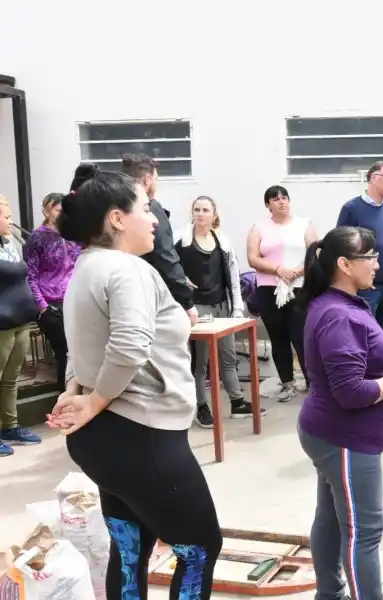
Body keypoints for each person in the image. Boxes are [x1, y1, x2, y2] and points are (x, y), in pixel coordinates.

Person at [47, 169, 222, 599]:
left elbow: (86, 341)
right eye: (145, 209)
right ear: (117, 219)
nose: (156, 220)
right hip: (141, 437)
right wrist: (95, 399)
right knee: (200, 548)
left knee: (130, 549)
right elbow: (126, 347)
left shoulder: (87, 266)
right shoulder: (126, 270)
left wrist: (77, 391)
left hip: (106, 441)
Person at [298, 226, 383, 600]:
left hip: (332, 434)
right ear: (344, 264)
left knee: (332, 520)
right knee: (364, 531)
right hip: (344, 438)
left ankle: (330, 594)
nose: (377, 264)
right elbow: (351, 393)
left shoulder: (340, 304)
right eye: (368, 257)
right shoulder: (340, 316)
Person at [176, 196, 266, 428]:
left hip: (222, 307)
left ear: (214, 215)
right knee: (200, 363)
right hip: (198, 308)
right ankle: (202, 407)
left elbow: (233, 277)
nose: (200, 213)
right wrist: (182, 283)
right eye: (196, 209)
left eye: (205, 209)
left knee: (229, 357)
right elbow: (169, 269)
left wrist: (237, 308)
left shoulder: (222, 242)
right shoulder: (181, 240)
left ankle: (237, 402)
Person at [246, 185, 318, 402]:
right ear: (268, 205)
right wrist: (278, 270)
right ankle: (287, 383)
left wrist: (295, 271)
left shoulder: (304, 224)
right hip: (270, 289)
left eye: (284, 198)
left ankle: (312, 383)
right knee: (278, 337)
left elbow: (316, 253)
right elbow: (253, 258)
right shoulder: (259, 227)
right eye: (275, 199)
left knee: (302, 336)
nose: (281, 202)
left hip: (299, 288)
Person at [121, 153, 198, 326]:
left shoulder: (111, 207)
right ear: (148, 179)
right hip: (151, 296)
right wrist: (187, 302)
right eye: (156, 179)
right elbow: (165, 256)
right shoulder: (151, 208)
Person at [335, 161, 383, 341]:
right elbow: (339, 247)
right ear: (374, 178)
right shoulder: (351, 208)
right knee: (363, 339)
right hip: (366, 290)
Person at [25, 192, 82, 392]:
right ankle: (64, 395)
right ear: (47, 211)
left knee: (79, 351)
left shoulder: (74, 234)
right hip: (50, 304)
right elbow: (31, 275)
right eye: (58, 210)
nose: (62, 214)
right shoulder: (38, 238)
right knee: (64, 350)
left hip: (73, 300)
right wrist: (42, 307)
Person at [0, 195, 40, 457]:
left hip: (21, 319)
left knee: (11, 379)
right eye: (6, 217)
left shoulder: (9, 243)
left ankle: (10, 425)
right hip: (1, 324)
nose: (11, 221)